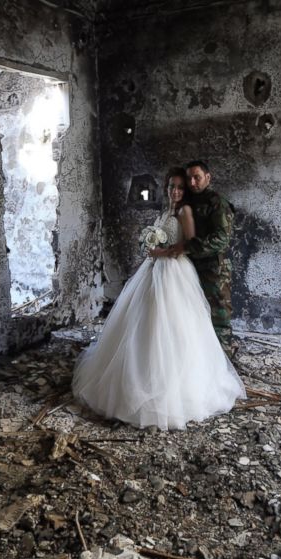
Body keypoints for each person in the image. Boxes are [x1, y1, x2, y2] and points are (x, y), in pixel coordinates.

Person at [73, 167, 244, 429]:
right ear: (165, 188)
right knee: (142, 321)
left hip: (174, 271)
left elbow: (186, 245)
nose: (175, 191)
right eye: (171, 186)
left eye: (179, 187)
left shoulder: (184, 212)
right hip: (153, 269)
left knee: (171, 325)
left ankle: (171, 390)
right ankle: (135, 377)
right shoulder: (165, 211)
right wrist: (150, 248)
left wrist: (161, 252)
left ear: (185, 190)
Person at [157, 160, 236, 356]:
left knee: (219, 316)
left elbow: (222, 239)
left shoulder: (217, 203)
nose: (192, 182)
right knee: (196, 315)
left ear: (207, 178)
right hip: (192, 266)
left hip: (214, 269)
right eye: (190, 178)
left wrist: (187, 246)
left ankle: (224, 359)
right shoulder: (190, 200)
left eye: (197, 178)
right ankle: (203, 356)